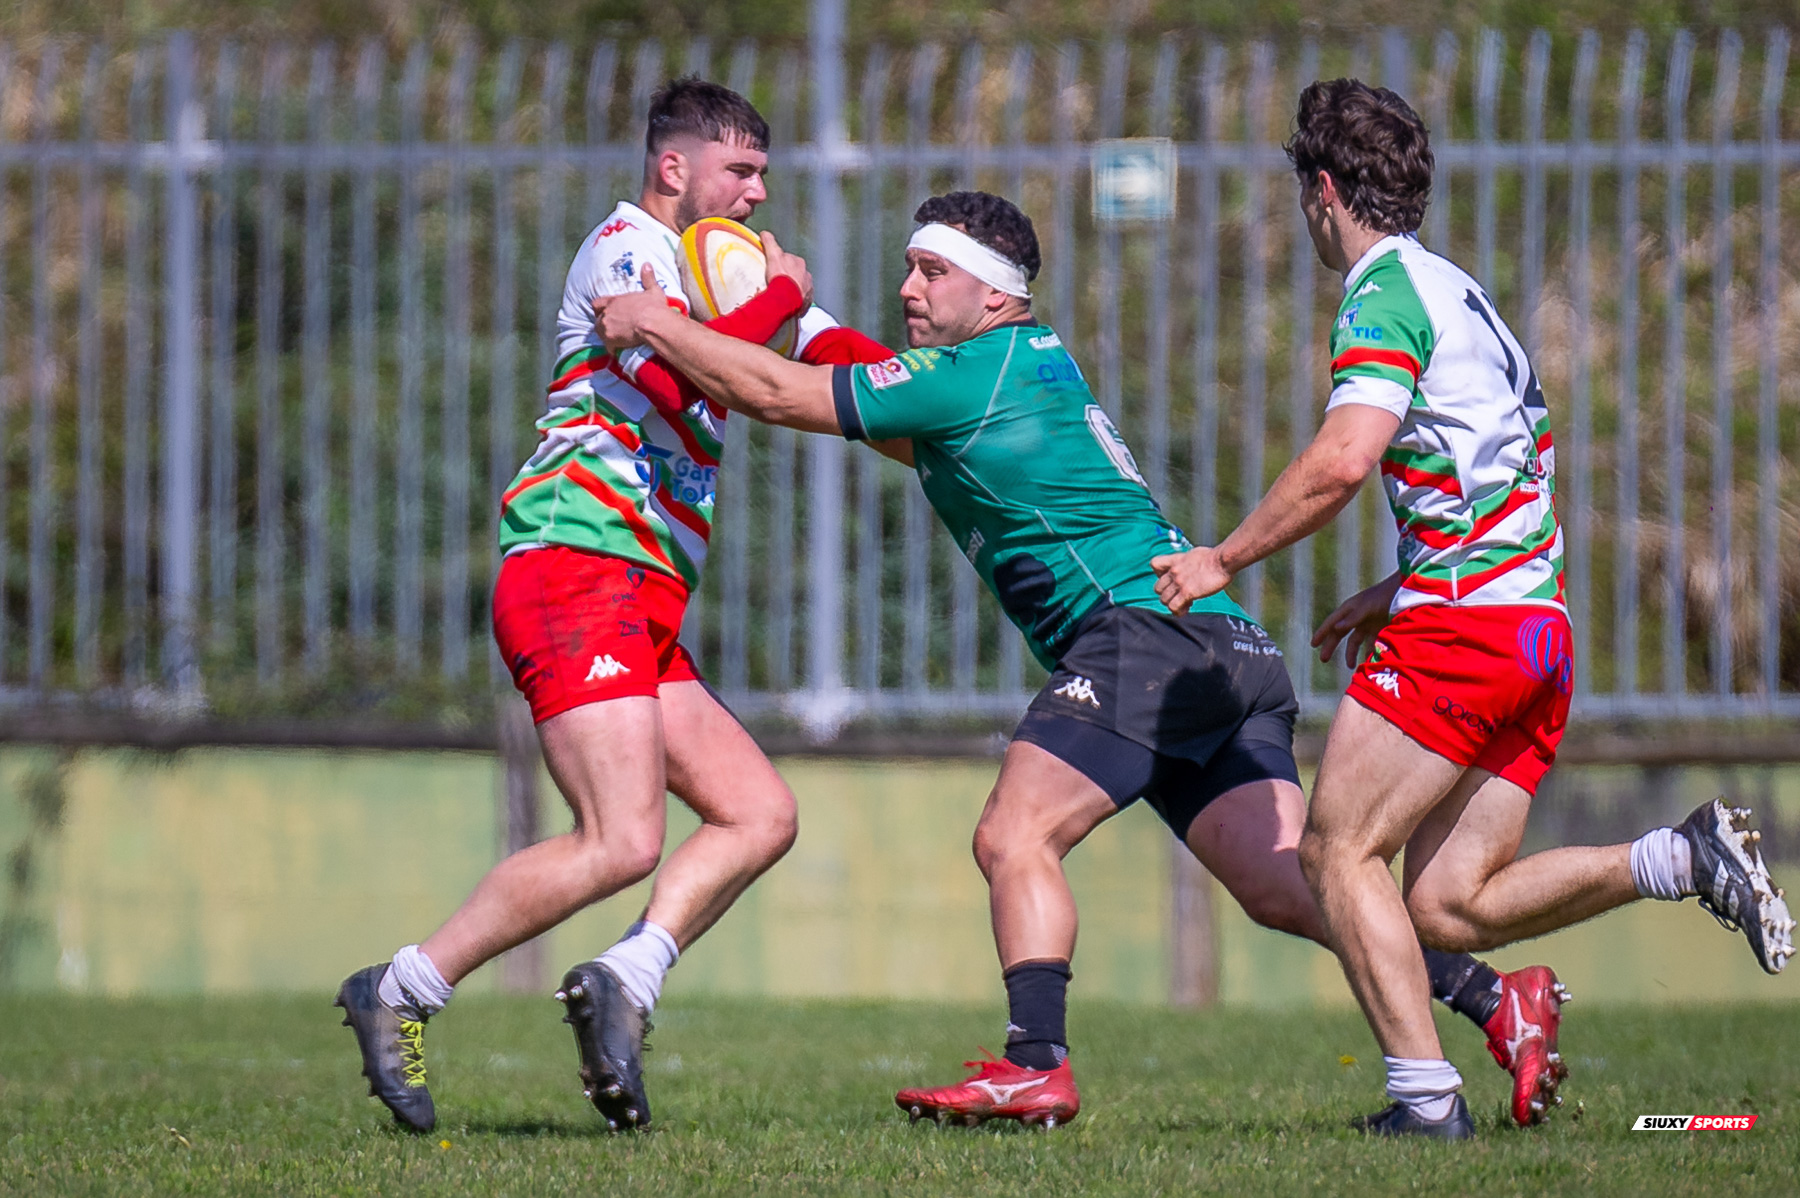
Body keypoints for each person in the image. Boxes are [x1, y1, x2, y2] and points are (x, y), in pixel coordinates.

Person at [594, 188, 1567, 1130]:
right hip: (1222, 647)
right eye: (906, 270)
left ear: (996, 291)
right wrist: (802, 316)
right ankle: (1494, 998)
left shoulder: (974, 374)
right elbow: (864, 390)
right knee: (1285, 887)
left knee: (1013, 835)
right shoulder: (1008, 371)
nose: (909, 289)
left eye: (931, 271)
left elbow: (777, 393)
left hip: (1140, 636)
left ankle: (1033, 1065)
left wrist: (655, 322)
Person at [1151, 79, 1795, 1140]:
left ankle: (1425, 1100)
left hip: (1467, 629)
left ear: (1321, 191)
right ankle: (1683, 857)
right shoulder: (1463, 294)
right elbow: (1518, 463)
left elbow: (1344, 458)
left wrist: (1225, 554)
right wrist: (1404, 581)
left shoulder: (1381, 292)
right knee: (1447, 901)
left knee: (1334, 852)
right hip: (1535, 629)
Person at [335, 76, 892, 1134]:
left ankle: (622, 981)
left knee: (758, 811)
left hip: (640, 592)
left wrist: (944, 384)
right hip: (571, 562)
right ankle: (398, 989)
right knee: (622, 837)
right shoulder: (628, 248)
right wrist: (777, 301)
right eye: (742, 170)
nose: (759, 193)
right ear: (674, 167)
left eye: (766, 173)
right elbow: (693, 384)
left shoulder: (723, 262)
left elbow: (831, 351)